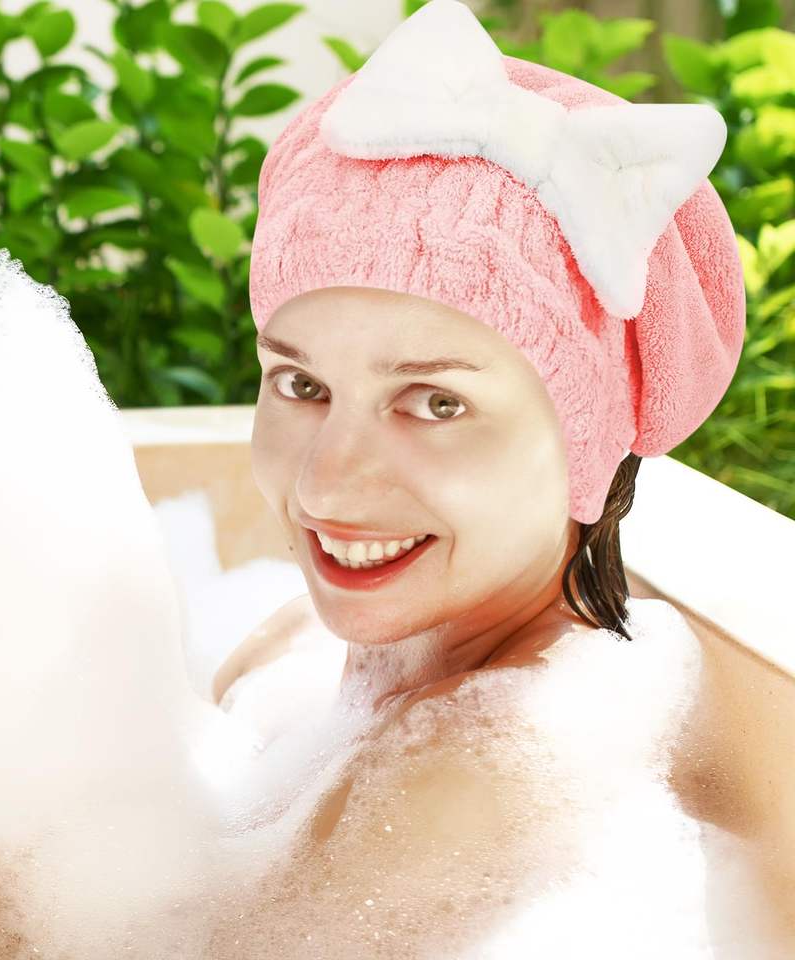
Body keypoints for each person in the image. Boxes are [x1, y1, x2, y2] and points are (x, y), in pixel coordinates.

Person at [203, 1, 779, 956]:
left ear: (587, 443)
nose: (327, 484)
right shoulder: (313, 645)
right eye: (301, 384)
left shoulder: (489, 768)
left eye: (435, 403)